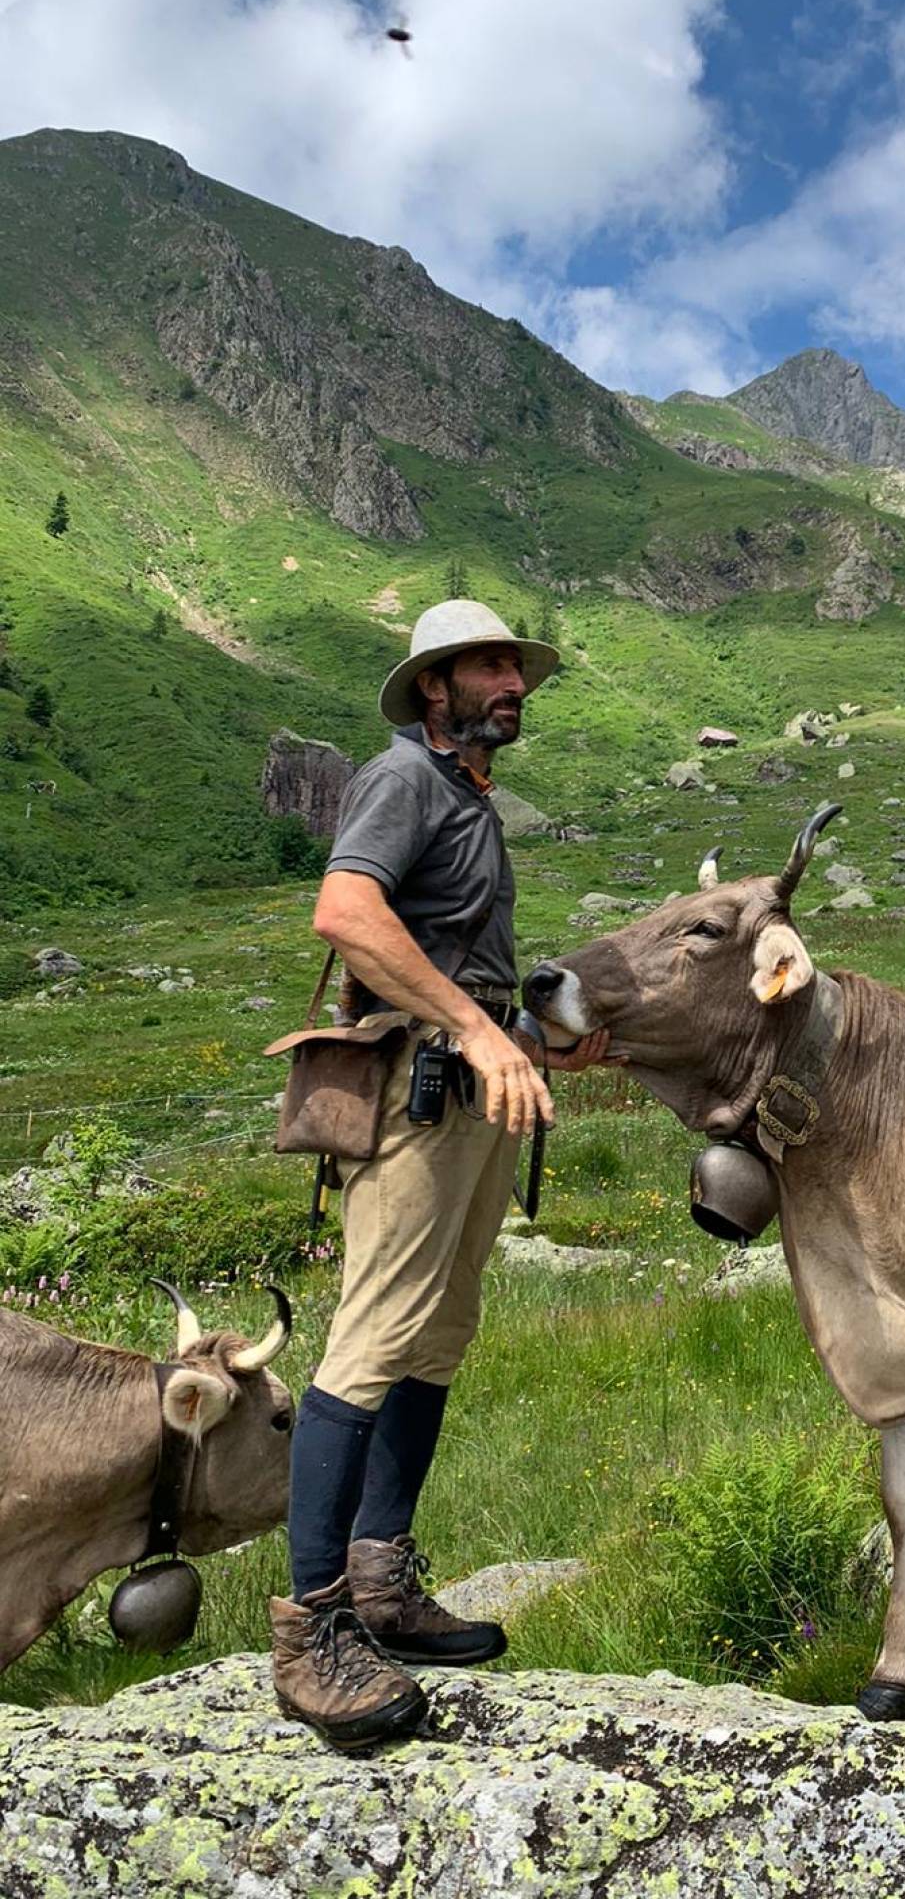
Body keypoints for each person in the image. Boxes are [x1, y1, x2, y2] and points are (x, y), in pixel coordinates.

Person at [268, 599, 609, 1749]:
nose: (512, 680)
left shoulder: (468, 793)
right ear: (434, 688)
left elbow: (449, 945)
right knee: (372, 1339)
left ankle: (381, 1584)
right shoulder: (403, 778)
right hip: (420, 1090)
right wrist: (475, 1026)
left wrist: (533, 1035)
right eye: (489, 665)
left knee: (436, 1335)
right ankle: (312, 1636)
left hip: (469, 1094)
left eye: (517, 665)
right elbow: (346, 912)